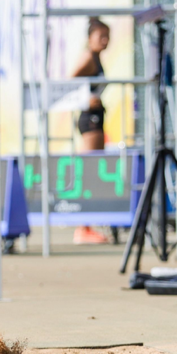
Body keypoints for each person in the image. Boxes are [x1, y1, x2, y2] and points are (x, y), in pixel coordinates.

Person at [71, 17, 111, 245]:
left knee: (94, 170)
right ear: (90, 38)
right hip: (89, 119)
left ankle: (88, 225)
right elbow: (68, 83)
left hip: (96, 118)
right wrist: (87, 99)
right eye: (101, 37)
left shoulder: (95, 57)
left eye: (107, 37)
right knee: (89, 171)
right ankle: (82, 228)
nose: (105, 41)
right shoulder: (87, 58)